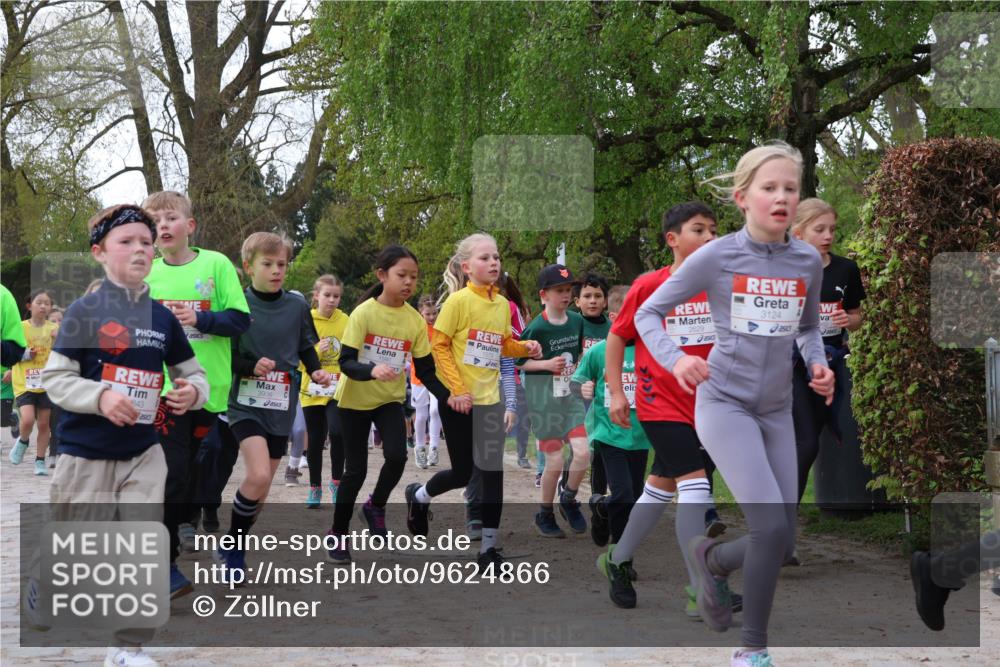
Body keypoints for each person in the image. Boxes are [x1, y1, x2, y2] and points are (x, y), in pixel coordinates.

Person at [635, 142, 835, 667]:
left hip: (776, 408)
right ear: (743, 198)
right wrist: (677, 359)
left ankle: (713, 560)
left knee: (783, 541)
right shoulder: (717, 255)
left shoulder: (806, 260)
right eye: (770, 188)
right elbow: (648, 316)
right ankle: (753, 649)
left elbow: (810, 327)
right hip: (723, 402)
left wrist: (818, 364)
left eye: (790, 188)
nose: (782, 198)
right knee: (770, 529)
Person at [36, 203, 209, 667]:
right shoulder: (84, 311)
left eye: (146, 243)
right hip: (86, 453)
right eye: (126, 242)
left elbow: (193, 373)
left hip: (143, 451)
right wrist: (101, 398)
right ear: (99, 253)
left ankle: (126, 647)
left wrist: (192, 392)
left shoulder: (162, 318)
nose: (140, 250)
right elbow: (55, 379)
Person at [601, 201, 728, 613]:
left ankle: (616, 560)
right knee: (696, 487)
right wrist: (618, 392)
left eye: (713, 230)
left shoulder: (720, 285)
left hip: (708, 406)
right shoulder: (648, 286)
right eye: (699, 230)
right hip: (660, 403)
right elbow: (618, 338)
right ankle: (702, 589)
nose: (710, 237)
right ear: (673, 239)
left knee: (660, 488)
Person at [403, 233, 540, 571]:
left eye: (496, 257)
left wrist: (525, 348)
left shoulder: (500, 305)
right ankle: (419, 497)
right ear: (466, 267)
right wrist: (457, 390)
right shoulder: (458, 302)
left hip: (490, 400)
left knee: (492, 473)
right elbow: (440, 346)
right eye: (484, 258)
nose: (493, 262)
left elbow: (502, 344)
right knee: (464, 472)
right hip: (460, 401)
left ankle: (489, 550)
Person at [143, 190, 251, 599]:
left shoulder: (216, 264)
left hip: (212, 391)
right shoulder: (147, 275)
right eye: (154, 221)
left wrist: (201, 318)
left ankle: (188, 516)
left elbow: (240, 321)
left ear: (190, 226)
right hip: (165, 392)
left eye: (170, 218)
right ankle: (166, 563)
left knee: (207, 476)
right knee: (169, 474)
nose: (163, 226)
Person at [214, 232, 332, 583]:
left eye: (281, 264)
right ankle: (234, 551)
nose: (276, 270)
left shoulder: (296, 305)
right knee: (259, 475)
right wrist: (251, 365)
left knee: (262, 492)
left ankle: (234, 543)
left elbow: (305, 345)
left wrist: (317, 370)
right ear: (249, 267)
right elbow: (225, 355)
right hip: (244, 403)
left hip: (282, 404)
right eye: (268, 264)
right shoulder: (236, 304)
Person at [324, 246, 451, 563]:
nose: (409, 282)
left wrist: (449, 396)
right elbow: (346, 363)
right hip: (354, 399)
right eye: (401, 275)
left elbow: (425, 371)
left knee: (397, 456)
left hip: (389, 400)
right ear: (382, 276)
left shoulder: (414, 321)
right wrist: (372, 370)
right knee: (355, 471)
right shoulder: (364, 313)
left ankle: (375, 505)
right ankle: (338, 534)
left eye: (414, 277)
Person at [789, 198, 865, 502]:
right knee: (806, 444)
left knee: (811, 443)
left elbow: (857, 316)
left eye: (832, 229)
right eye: (819, 229)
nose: (828, 236)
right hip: (793, 365)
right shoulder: (783, 272)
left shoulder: (846, 269)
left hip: (831, 364)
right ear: (798, 234)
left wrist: (850, 320)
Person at [571, 285, 650, 554]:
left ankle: (602, 507)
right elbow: (574, 382)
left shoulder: (649, 352)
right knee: (624, 494)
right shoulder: (600, 351)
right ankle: (619, 554)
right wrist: (582, 388)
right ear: (615, 317)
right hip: (609, 435)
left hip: (639, 437)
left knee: (634, 497)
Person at [519, 264, 590, 538]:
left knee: (584, 453)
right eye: (559, 290)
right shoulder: (537, 327)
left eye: (569, 290)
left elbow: (579, 354)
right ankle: (544, 514)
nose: (566, 295)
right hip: (543, 402)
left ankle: (569, 499)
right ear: (543, 295)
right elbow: (519, 363)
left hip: (568, 398)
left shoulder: (577, 320)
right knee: (555, 462)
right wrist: (547, 363)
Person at [300, 275, 349, 507]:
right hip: (310, 388)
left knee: (338, 432)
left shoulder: (346, 320)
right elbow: (296, 358)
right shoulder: (306, 320)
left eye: (336, 296)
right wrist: (317, 350)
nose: (331, 300)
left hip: (336, 388)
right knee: (316, 439)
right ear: (316, 296)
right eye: (327, 295)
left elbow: (351, 353)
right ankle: (315, 487)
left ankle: (337, 483)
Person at [9, 289, 58, 475]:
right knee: (28, 420)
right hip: (24, 382)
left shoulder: (54, 329)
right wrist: (25, 354)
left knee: (44, 425)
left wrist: (58, 341)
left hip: (46, 383)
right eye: (39, 302)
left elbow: (63, 353)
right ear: (29, 306)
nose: (43, 306)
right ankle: (22, 440)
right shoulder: (20, 327)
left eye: (47, 303)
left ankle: (39, 461)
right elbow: (9, 351)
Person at [498, 272, 532, 470]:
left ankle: (521, 454)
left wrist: (505, 337)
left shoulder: (510, 307)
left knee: (521, 414)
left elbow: (521, 334)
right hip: (491, 373)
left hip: (514, 371)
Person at [412, 294, 442, 469]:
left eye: (434, 313)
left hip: (438, 376)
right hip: (419, 377)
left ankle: (434, 448)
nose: (431, 317)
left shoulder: (441, 328)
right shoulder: (417, 328)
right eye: (428, 314)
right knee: (421, 415)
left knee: (436, 410)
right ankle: (420, 447)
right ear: (420, 313)